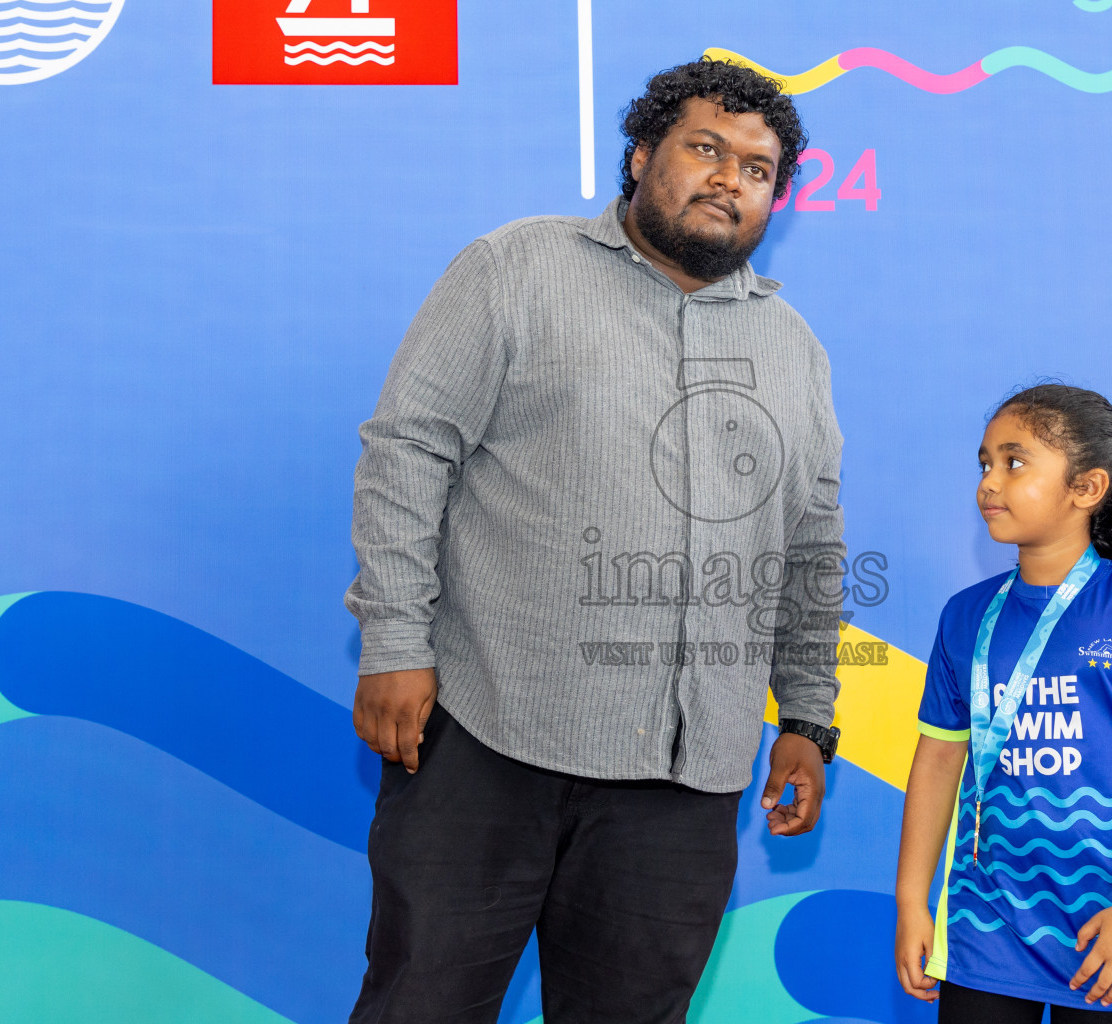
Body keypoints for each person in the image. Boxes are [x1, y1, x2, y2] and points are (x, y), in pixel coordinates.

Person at [343, 59, 846, 1024]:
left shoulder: (795, 349)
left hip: (684, 783)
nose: (727, 178)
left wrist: (810, 720)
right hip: (489, 741)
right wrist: (396, 643)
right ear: (640, 154)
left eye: (755, 168)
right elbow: (408, 451)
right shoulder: (515, 269)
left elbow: (811, 545)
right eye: (705, 148)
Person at [894, 383, 1112, 1023]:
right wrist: (911, 900)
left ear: (1086, 488)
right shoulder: (965, 616)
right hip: (984, 921)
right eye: (984, 463)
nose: (989, 483)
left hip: (1109, 926)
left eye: (1014, 462)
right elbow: (938, 763)